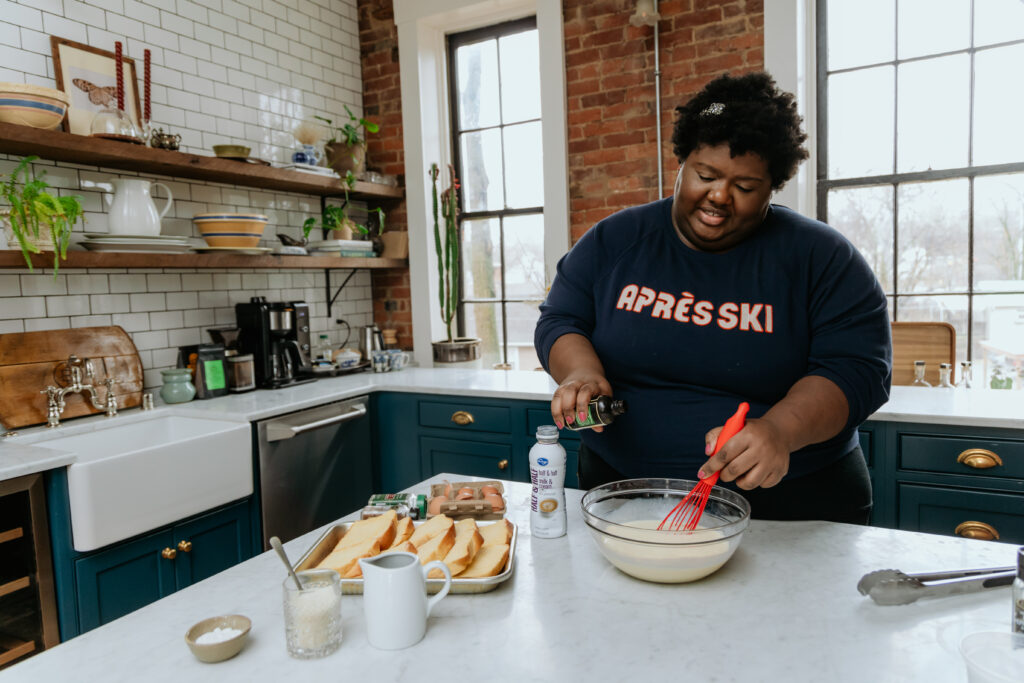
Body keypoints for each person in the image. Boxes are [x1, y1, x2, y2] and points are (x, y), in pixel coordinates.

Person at [533, 71, 891, 524]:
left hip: (794, 504)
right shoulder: (616, 240)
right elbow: (561, 319)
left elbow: (858, 369)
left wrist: (780, 431)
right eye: (706, 175)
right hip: (623, 493)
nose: (720, 196)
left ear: (773, 186)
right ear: (682, 163)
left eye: (745, 187)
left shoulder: (821, 257)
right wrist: (580, 373)